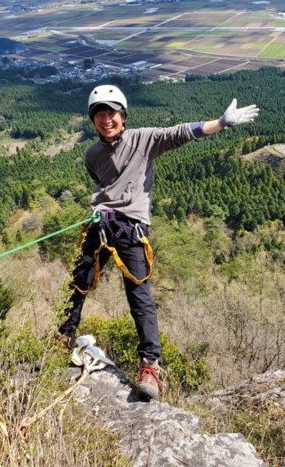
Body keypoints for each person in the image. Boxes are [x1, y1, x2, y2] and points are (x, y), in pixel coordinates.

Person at [58, 84, 259, 400]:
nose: (105, 119)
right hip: (100, 223)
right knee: (80, 280)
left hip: (131, 228)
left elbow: (179, 133)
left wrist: (220, 123)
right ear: (92, 120)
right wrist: (103, 205)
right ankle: (64, 335)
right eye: (99, 114)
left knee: (139, 294)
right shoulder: (92, 154)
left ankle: (150, 366)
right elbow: (102, 182)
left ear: (123, 117)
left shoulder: (144, 140)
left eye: (111, 113)